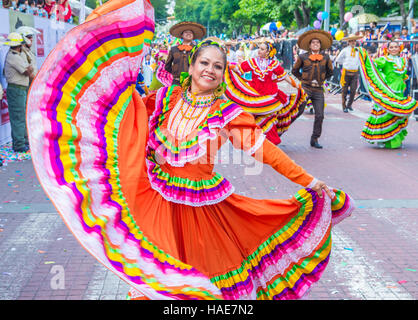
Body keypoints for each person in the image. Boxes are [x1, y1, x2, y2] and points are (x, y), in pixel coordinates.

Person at [27, 0, 353, 300]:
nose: (209, 70)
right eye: (204, 63)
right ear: (193, 65)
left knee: (200, 276)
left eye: (218, 66)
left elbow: (266, 152)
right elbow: (129, 118)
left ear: (224, 74)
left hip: (201, 209)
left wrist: (308, 181)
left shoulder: (229, 114)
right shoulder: (166, 98)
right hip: (154, 195)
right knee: (154, 273)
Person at [225, 41, 307, 145]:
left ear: (268, 52)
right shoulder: (252, 62)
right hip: (255, 97)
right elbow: (239, 69)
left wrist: (297, 86)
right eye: (259, 48)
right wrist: (227, 66)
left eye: (262, 49)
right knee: (255, 119)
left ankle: (270, 142)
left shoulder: (274, 64)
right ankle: (258, 141)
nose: (259, 51)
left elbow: (285, 76)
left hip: (270, 97)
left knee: (269, 118)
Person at [357, 41, 418, 149]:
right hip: (387, 92)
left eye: (396, 47)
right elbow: (372, 65)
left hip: (399, 92)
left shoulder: (403, 60)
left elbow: (403, 76)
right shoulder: (384, 59)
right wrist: (363, 53)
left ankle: (394, 138)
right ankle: (382, 138)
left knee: (397, 115)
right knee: (384, 115)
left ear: (399, 48)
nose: (394, 49)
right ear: (388, 49)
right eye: (391, 47)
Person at [291, 29, 334, 149]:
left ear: (320, 45)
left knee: (320, 115)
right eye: (313, 43)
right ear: (309, 45)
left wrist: (322, 79)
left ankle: (314, 138)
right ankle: (280, 130)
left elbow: (330, 71)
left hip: (319, 90)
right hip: (305, 88)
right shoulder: (302, 57)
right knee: (297, 112)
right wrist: (303, 79)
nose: (315, 44)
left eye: (318, 43)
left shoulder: (326, 57)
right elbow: (294, 70)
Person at [3, 32, 32, 153]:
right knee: (18, 118)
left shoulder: (18, 54)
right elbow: (27, 71)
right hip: (16, 89)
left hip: (20, 89)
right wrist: (29, 67)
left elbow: (29, 67)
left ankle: (24, 141)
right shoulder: (13, 56)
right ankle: (19, 144)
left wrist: (26, 53)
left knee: (22, 116)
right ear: (19, 45)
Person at [165, 21, 206, 86]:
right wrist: (176, 73)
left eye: (191, 33)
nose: (189, 34)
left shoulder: (198, 50)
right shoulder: (174, 49)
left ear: (193, 36)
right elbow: (167, 66)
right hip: (176, 82)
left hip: (192, 82)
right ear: (181, 35)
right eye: (186, 32)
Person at [335, 34, 362, 113]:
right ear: (348, 42)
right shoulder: (345, 50)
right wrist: (345, 63)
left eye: (354, 41)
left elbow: (361, 60)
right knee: (344, 90)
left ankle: (349, 105)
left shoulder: (358, 50)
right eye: (351, 41)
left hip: (355, 73)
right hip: (346, 72)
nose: (353, 42)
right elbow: (338, 59)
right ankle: (344, 106)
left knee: (353, 90)